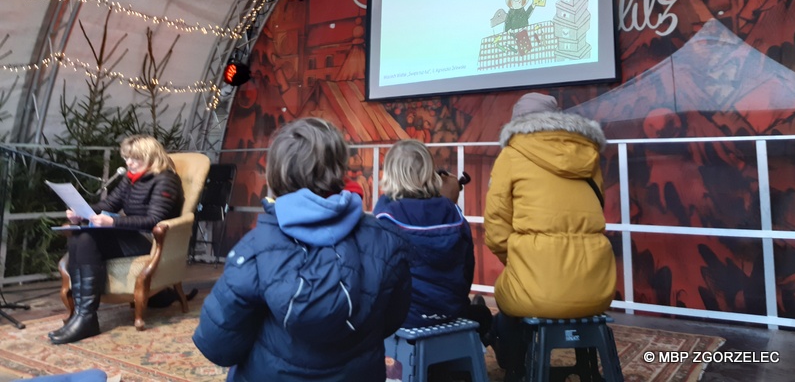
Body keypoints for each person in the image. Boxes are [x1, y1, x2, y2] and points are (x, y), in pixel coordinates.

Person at [192, 118, 411, 382]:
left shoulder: (253, 248)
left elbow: (217, 345)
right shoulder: (386, 239)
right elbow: (392, 319)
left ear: (276, 173)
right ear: (339, 168)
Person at [484, 92, 616, 381]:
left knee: (506, 295)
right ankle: (587, 367)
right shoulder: (587, 153)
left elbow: (495, 227)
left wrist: (519, 260)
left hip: (537, 286)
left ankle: (514, 363)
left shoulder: (512, 154)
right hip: (598, 287)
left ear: (516, 121)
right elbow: (595, 212)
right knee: (524, 289)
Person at [49, 135, 183, 345]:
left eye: (134, 158)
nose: (128, 163)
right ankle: (83, 316)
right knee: (80, 234)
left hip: (152, 240)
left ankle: (86, 318)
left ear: (150, 157)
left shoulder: (166, 180)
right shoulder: (131, 178)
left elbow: (154, 220)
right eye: (127, 158)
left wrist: (114, 223)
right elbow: (109, 205)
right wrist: (81, 213)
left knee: (85, 237)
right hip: (132, 235)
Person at [373, 139, 493, 341]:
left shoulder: (384, 216)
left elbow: (375, 278)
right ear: (431, 173)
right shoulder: (454, 214)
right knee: (483, 316)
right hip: (449, 312)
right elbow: (466, 272)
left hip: (401, 319)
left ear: (390, 174)